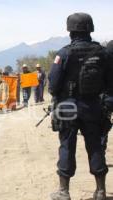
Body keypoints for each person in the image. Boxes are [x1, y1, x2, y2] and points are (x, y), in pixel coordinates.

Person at [48, 13, 112, 200]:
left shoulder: (64, 53)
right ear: (90, 29)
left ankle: (64, 192)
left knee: (67, 145)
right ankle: (100, 191)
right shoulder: (103, 53)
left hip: (68, 107)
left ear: (70, 30)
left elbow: (53, 85)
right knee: (95, 147)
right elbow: (110, 82)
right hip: (93, 106)